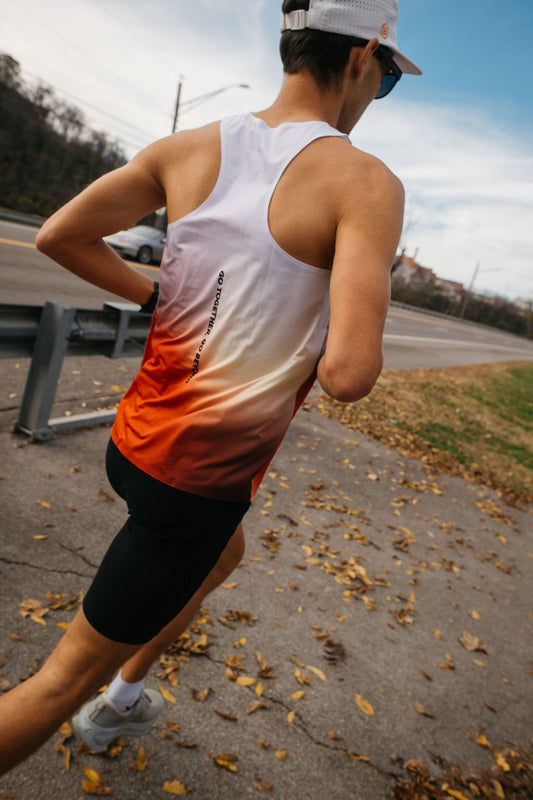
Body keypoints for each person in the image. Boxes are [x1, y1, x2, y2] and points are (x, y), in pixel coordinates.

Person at [0, 0, 420, 774]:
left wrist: (156, 296)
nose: (376, 94)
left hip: (133, 442)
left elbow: (59, 235)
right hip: (193, 485)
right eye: (387, 78)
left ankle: (126, 694)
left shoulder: (186, 146)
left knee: (223, 555)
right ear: (362, 58)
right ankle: (101, 707)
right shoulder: (363, 182)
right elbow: (349, 375)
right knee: (57, 682)